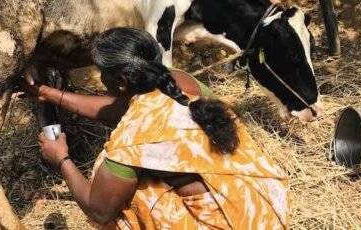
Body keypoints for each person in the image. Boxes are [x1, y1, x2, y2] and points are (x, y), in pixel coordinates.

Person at [25, 27, 289, 229]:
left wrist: (61, 159)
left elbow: (99, 210)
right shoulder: (180, 83)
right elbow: (119, 109)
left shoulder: (135, 134)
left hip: (230, 223)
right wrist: (51, 94)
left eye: (102, 72)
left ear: (120, 81)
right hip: (264, 211)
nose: (100, 78)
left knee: (121, 186)